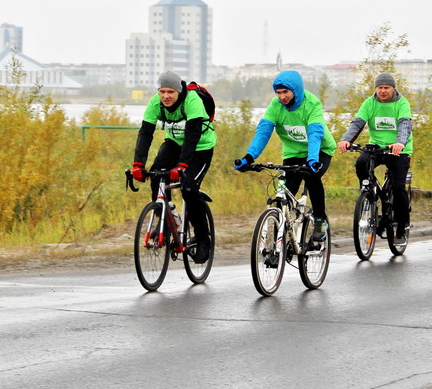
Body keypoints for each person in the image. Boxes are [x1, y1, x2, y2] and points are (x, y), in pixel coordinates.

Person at [234, 69, 336, 245]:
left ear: (295, 90)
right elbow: (263, 132)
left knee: (312, 177)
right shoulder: (276, 105)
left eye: (285, 92)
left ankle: (320, 221)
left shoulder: (312, 104)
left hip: (320, 149)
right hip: (293, 152)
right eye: (278, 92)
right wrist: (249, 157)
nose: (282, 97)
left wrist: (312, 159)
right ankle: (280, 242)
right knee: (286, 194)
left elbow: (315, 133)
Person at [131, 71, 215, 261]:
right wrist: (138, 164)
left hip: (200, 148)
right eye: (162, 92)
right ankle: (167, 221)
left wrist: (182, 166)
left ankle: (203, 239)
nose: (166, 96)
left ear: (179, 91)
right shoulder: (155, 103)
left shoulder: (192, 101)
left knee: (189, 188)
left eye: (170, 92)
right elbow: (145, 133)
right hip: (174, 144)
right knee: (156, 177)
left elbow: (193, 135)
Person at [337, 72, 413, 242]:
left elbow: (405, 125)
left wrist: (400, 143)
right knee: (361, 163)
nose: (383, 91)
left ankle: (401, 226)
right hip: (377, 147)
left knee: (399, 186)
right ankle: (369, 194)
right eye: (380, 88)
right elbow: (357, 123)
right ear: (375, 89)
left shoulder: (402, 103)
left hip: (398, 150)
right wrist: (346, 140)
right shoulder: (369, 103)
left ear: (393, 88)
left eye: (386, 88)